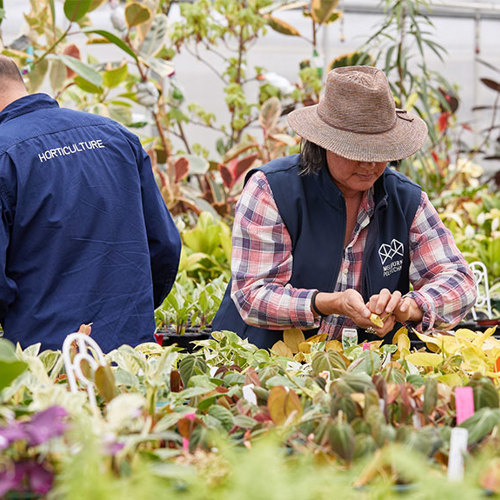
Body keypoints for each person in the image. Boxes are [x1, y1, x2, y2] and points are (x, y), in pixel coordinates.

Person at [212, 65, 477, 349]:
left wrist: (410, 307)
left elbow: (459, 281)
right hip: (261, 363)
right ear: (324, 143)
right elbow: (252, 296)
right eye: (356, 152)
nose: (370, 164)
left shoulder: (406, 200)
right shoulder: (272, 190)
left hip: (361, 370)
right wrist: (328, 303)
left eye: (379, 152)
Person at [0, 56, 182, 352]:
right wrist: (130, 314)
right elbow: (165, 245)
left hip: (47, 361)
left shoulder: (4, 154)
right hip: (130, 354)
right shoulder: (117, 136)